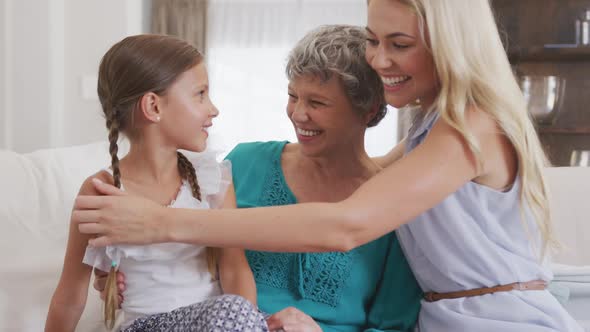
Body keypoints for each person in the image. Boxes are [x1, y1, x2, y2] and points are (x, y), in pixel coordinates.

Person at [74, 1, 583, 331]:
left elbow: (348, 222)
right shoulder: (424, 138)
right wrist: (124, 269)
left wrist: (161, 224)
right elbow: (203, 267)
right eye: (374, 41)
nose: (381, 59)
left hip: (495, 320)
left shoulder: (468, 127)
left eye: (398, 44)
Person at [93, 25, 422, 332]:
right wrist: (116, 272)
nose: (298, 114)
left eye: (317, 102)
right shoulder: (247, 163)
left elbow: (394, 325)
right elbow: (183, 253)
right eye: (293, 96)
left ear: (368, 110)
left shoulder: (388, 206)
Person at [45, 34, 268, 332]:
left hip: (216, 322)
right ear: (153, 106)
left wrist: (246, 320)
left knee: (251, 313)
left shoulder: (213, 180)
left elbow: (234, 269)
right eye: (200, 94)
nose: (213, 109)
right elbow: (70, 296)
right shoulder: (102, 191)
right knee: (232, 309)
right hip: (146, 326)